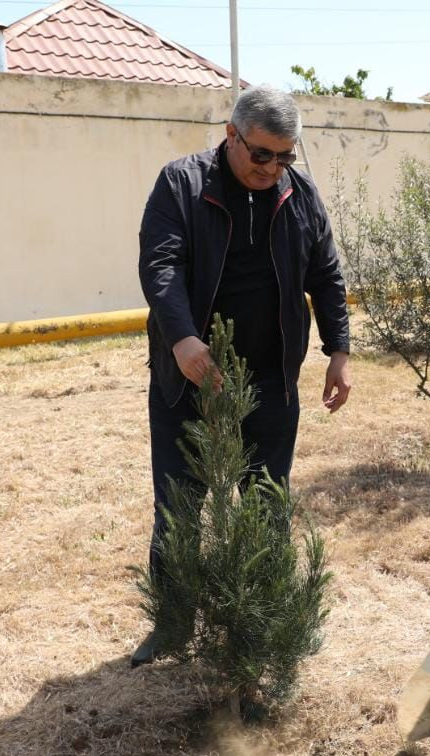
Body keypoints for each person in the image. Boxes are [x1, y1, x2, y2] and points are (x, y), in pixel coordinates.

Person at [133, 86, 352, 667]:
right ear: (231, 135)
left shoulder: (300, 193)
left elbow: (326, 274)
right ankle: (172, 625)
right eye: (261, 154)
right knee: (179, 506)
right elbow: (160, 267)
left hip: (272, 381)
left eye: (285, 156)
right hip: (191, 377)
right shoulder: (181, 184)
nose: (273, 168)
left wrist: (339, 350)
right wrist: (182, 339)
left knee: (266, 505)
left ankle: (266, 623)